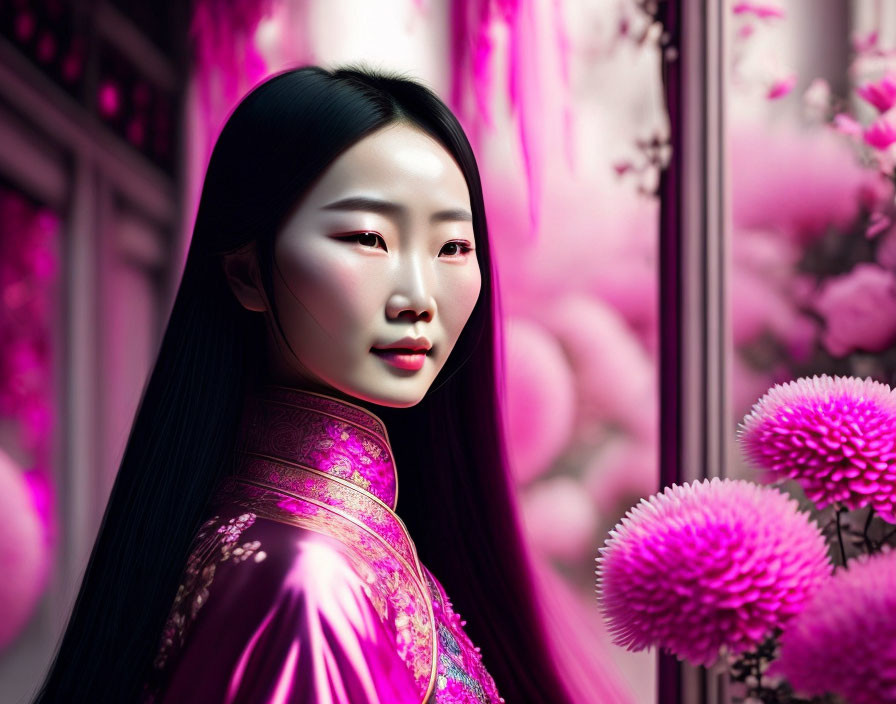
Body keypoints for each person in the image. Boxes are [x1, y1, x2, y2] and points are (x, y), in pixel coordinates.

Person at [30, 65, 576, 703]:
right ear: (246, 274)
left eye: (452, 248)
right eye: (368, 238)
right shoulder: (310, 582)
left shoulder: (312, 547)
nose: (419, 298)